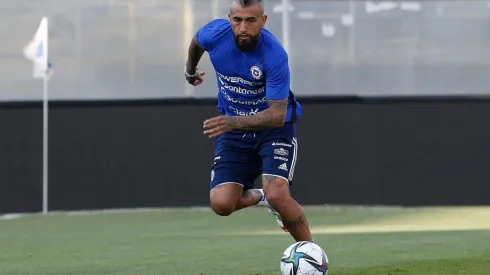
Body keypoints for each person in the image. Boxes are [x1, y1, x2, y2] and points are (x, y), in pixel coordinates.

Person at [184, 0, 312, 242]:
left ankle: (312, 255)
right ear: (229, 18)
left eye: (251, 20)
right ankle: (262, 197)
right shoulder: (215, 33)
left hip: (272, 130)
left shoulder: (274, 55)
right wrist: (190, 71)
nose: (243, 27)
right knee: (221, 204)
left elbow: (276, 116)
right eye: (237, 20)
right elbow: (196, 42)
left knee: (278, 195)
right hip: (234, 129)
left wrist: (233, 122)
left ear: (263, 21)